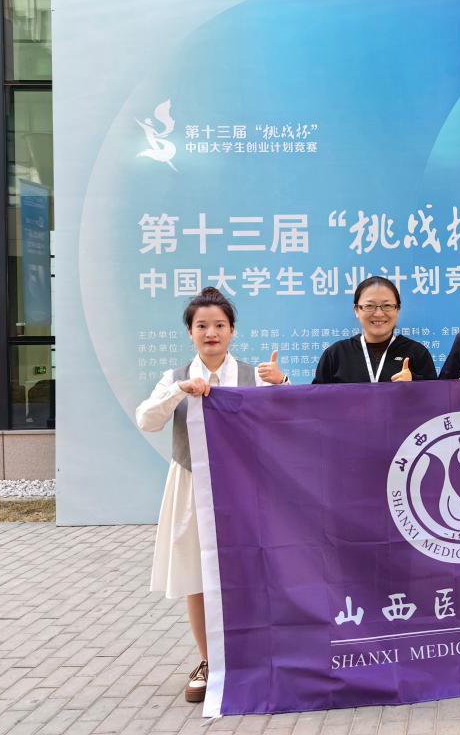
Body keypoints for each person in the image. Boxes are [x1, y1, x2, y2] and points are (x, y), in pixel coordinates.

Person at [136, 287, 288, 702]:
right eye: (201, 325)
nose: (211, 333)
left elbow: (289, 419)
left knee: (251, 570)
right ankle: (209, 661)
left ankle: (253, 658)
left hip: (245, 489)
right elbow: (146, 420)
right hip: (191, 486)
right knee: (197, 575)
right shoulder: (176, 377)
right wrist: (178, 391)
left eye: (219, 325)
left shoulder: (254, 375)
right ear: (190, 332)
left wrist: (282, 384)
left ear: (233, 331)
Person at [312, 276, 436, 384]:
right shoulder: (336, 354)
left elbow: (434, 398)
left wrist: (415, 384)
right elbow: (317, 399)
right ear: (356, 310)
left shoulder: (417, 353)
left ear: (397, 309)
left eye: (387, 305)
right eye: (369, 306)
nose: (378, 314)